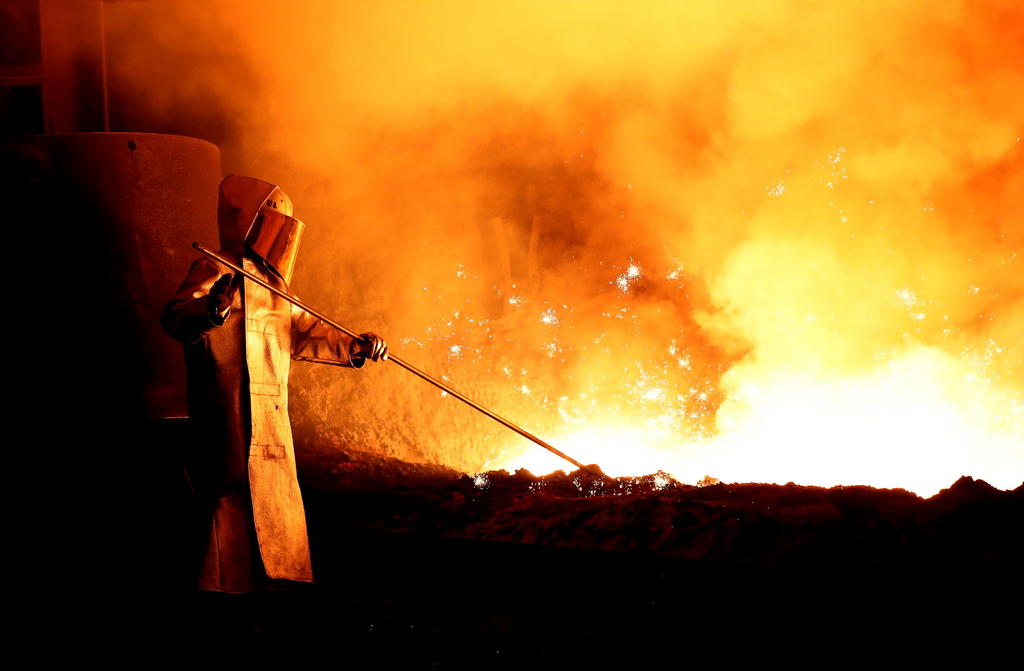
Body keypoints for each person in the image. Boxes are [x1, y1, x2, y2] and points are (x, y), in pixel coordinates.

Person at [162, 175, 387, 593]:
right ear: (248, 222)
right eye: (269, 222)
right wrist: (213, 309)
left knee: (272, 496)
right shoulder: (214, 267)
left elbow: (307, 332)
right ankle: (218, 591)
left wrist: (356, 347)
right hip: (226, 407)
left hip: (270, 415)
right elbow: (176, 319)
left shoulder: (277, 288)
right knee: (227, 496)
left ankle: (276, 585)